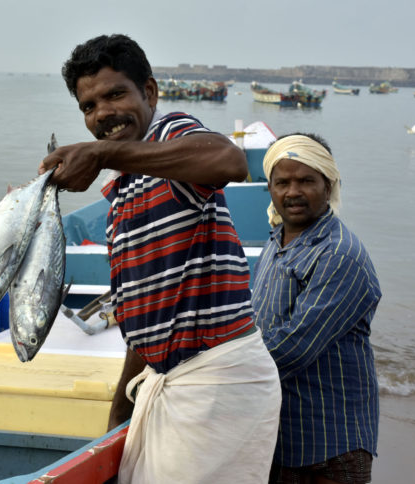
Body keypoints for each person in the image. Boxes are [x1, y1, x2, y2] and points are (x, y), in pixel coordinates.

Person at [39, 34, 281, 483]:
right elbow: (143, 314)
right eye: (88, 107)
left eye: (115, 94)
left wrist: (100, 151)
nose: (102, 115)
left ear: (148, 92)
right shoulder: (120, 194)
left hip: (217, 381)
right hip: (166, 381)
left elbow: (228, 160)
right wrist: (119, 413)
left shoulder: (169, 136)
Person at [251, 133, 382, 484]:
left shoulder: (338, 254)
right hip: (280, 438)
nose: (293, 192)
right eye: (282, 182)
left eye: (306, 180)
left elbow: (292, 347)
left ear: (329, 185)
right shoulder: (276, 242)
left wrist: (210, 372)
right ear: (270, 188)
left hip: (329, 446)